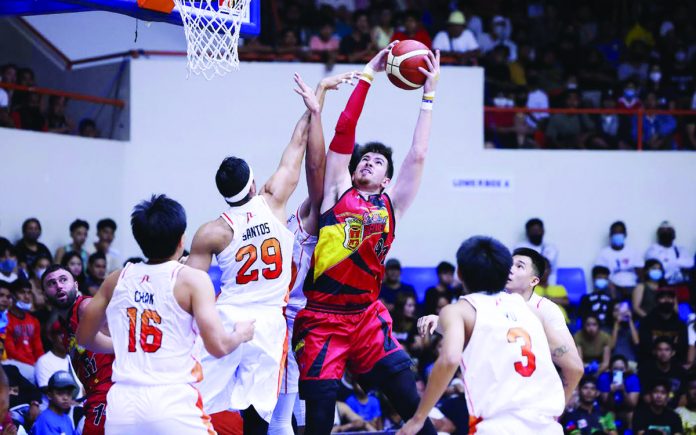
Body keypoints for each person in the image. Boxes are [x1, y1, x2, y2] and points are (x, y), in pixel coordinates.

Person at [291, 43, 440, 435]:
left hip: (367, 317)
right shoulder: (337, 190)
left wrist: (429, 93)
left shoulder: (393, 204)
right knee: (319, 421)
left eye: (378, 162)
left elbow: (419, 153)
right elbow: (344, 130)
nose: (368, 162)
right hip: (323, 319)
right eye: (364, 159)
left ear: (387, 179)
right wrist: (368, 75)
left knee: (412, 404)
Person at [186, 73, 319, 433]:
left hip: (226, 317)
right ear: (254, 182)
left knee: (196, 403)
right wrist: (314, 104)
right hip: (267, 324)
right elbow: (297, 147)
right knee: (258, 415)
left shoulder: (212, 230)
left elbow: (190, 288)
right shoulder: (274, 200)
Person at [77, 194, 255, 434]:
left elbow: (84, 338)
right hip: (171, 401)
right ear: (181, 239)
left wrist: (121, 345)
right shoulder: (192, 280)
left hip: (122, 405)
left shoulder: (116, 279)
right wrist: (241, 334)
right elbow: (219, 347)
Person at [398, 236, 565, 434]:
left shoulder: (457, 310)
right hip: (547, 426)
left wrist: (418, 418)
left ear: (459, 273)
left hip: (498, 426)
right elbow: (573, 366)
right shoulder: (530, 308)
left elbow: (450, 358)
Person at [269, 71, 358, 434]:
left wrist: (319, 106)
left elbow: (314, 161)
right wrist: (318, 97)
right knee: (306, 418)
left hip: (293, 320)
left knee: (278, 419)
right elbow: (305, 152)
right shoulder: (318, 209)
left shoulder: (326, 210)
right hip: (302, 320)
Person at [42, 264, 114, 435]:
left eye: (63, 280)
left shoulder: (85, 308)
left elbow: (124, 340)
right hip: (95, 393)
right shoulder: (64, 328)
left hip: (111, 389)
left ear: (75, 285)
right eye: (51, 283)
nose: (58, 285)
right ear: (44, 295)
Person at [4, 280, 44, 383]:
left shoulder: (34, 321)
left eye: (29, 293)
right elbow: (11, 351)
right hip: (15, 363)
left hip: (34, 364)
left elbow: (38, 347)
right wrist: (33, 364)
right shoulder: (5, 320)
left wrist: (41, 363)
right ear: (12, 296)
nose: (26, 297)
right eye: (22, 292)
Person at [594, 221, 643, 299]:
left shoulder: (633, 252)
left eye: (620, 233)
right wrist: (614, 286)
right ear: (610, 235)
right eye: (615, 233)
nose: (617, 235)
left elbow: (641, 273)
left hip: (632, 286)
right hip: (613, 287)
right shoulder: (604, 253)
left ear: (625, 235)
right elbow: (599, 275)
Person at [638, 288, 687, 363]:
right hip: (650, 363)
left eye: (670, 297)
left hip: (674, 363)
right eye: (663, 298)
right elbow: (645, 346)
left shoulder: (680, 324)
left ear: (674, 301)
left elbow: (682, 348)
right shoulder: (646, 322)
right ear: (657, 301)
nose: (666, 300)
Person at [639, 336, 687, 408]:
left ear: (673, 353)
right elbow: (646, 398)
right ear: (654, 352)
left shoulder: (681, 372)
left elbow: (684, 398)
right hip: (652, 410)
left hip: (675, 411)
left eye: (667, 350)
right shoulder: (645, 371)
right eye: (660, 350)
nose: (663, 353)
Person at [30, 371, 78, 435]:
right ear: (49, 395)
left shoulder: (67, 419)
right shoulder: (44, 420)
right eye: (60, 393)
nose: (66, 398)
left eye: (69, 393)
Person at [597, 354, 640, 425]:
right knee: (610, 414)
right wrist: (611, 393)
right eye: (615, 369)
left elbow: (632, 404)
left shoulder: (633, 379)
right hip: (610, 409)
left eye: (621, 369)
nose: (618, 372)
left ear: (626, 369)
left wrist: (623, 391)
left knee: (631, 414)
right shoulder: (604, 378)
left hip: (626, 409)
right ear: (610, 369)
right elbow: (606, 404)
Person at [533, 256, 570, 323]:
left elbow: (566, 301)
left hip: (562, 323)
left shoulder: (559, 288)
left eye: (546, 268)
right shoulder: (530, 289)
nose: (544, 271)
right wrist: (557, 299)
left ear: (550, 270)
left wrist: (548, 299)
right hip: (540, 325)